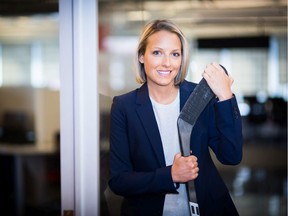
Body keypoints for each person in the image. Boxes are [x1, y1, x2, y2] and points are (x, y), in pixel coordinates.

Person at [108, 19, 242, 216]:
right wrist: (170, 175)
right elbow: (119, 181)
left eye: (175, 54)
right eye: (157, 52)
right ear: (141, 56)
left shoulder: (198, 97)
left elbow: (231, 156)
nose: (167, 63)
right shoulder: (124, 106)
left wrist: (225, 97)